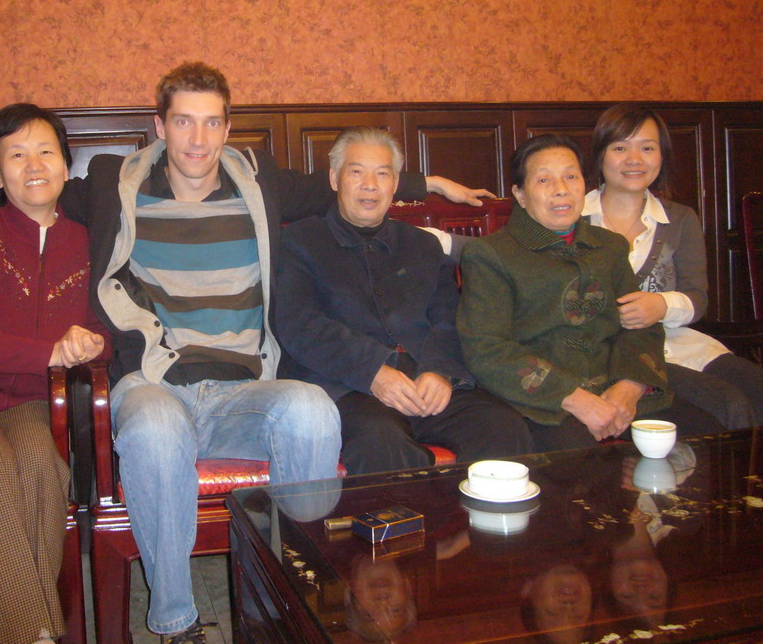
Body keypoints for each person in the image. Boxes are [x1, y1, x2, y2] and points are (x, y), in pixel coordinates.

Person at [0, 61, 491, 644]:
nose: (198, 139)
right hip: (152, 381)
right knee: (156, 427)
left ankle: (288, 601)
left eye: (212, 123)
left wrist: (429, 185)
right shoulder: (113, 184)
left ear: (227, 127)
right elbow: (26, 185)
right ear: (160, 125)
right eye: (184, 122)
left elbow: (349, 183)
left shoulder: (258, 178)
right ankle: (176, 622)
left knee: (313, 410)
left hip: (245, 388)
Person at [0, 104, 110, 644]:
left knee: (42, 468)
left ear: (64, 167)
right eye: (15, 154)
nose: (32, 165)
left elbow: (111, 318)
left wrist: (94, 341)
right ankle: (32, 632)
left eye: (45, 152)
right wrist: (47, 352)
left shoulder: (88, 237)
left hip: (39, 401)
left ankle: (26, 630)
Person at [276, 127, 532, 475]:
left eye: (383, 173)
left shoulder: (422, 245)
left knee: (502, 428)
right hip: (346, 385)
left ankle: (488, 530)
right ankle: (420, 528)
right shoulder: (298, 241)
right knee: (380, 442)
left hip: (425, 380)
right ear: (335, 179)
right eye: (356, 172)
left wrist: (440, 372)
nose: (371, 184)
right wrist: (373, 372)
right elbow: (300, 325)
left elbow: (448, 318)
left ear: (395, 183)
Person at [456, 134, 723, 452]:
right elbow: (487, 350)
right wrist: (576, 399)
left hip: (617, 389)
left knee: (708, 443)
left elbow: (641, 325)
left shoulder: (609, 246)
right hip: (546, 403)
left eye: (571, 176)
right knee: (585, 472)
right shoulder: (491, 254)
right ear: (520, 194)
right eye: (544, 179)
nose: (561, 189)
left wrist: (631, 385)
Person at [583, 103, 762, 429]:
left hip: (679, 342)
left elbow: (698, 298)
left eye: (647, 148)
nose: (634, 159)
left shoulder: (680, 218)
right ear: (600, 155)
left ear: (661, 156)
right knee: (729, 406)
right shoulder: (571, 218)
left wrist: (661, 304)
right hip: (614, 355)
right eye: (620, 147)